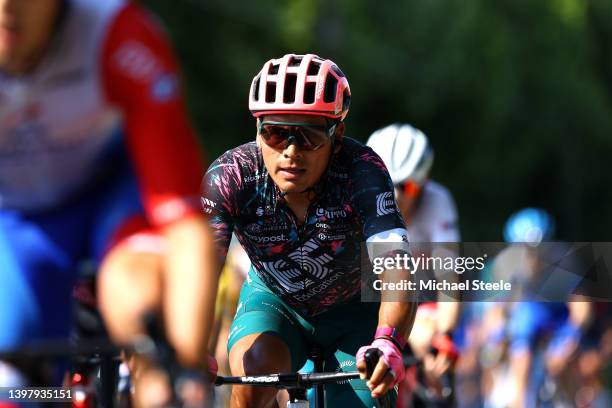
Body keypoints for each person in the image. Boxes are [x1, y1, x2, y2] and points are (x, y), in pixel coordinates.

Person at [0, 0, 218, 403]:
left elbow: (186, 226)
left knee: (142, 301)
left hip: (112, 198)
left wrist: (182, 368)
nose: (9, 6)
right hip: (15, 222)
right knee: (14, 381)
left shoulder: (116, 32)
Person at [201, 53, 416, 407]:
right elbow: (201, 273)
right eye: (275, 133)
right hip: (274, 303)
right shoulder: (230, 177)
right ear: (257, 130)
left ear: (338, 133)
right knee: (254, 375)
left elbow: (396, 267)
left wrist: (388, 341)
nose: (290, 151)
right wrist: (191, 348)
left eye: (308, 137)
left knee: (366, 400)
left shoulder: (363, 172)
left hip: (354, 311)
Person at [367, 124, 461, 406]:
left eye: (405, 186)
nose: (395, 196)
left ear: (424, 182)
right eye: (386, 185)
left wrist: (443, 338)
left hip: (422, 307)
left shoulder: (437, 201)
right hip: (370, 301)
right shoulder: (357, 199)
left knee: (427, 335)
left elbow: (449, 279)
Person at [493, 208, 593, 408]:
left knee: (564, 365)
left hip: (560, 316)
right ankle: (520, 400)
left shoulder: (565, 259)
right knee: (519, 348)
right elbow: (501, 309)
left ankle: (573, 399)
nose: (532, 256)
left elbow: (582, 310)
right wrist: (497, 338)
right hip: (531, 313)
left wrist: (568, 342)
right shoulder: (507, 264)